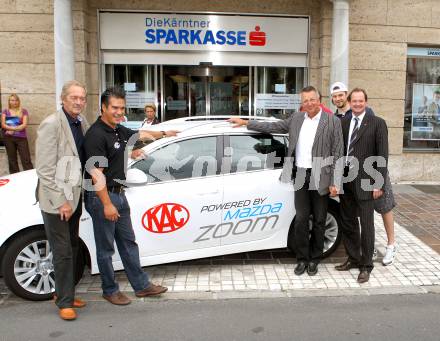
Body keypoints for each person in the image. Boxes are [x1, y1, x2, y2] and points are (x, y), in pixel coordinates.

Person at [229, 86, 344, 276]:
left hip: (321, 176)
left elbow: (339, 153)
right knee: (300, 219)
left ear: (319, 100)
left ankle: (315, 259)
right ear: (302, 103)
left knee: (319, 220)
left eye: (312, 99)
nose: (308, 103)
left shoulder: (332, 122)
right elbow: (273, 127)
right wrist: (246, 122)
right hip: (300, 174)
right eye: (305, 100)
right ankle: (302, 259)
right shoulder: (297, 119)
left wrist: (335, 182)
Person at [83, 86, 178, 306]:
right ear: (103, 107)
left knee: (128, 243)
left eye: (122, 108)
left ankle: (142, 286)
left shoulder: (117, 129)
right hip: (102, 198)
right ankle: (109, 289)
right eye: (114, 107)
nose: (119, 112)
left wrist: (164, 134)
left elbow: (141, 134)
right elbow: (96, 173)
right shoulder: (96, 134)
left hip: (119, 194)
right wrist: (106, 204)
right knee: (106, 248)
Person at [35, 80, 89, 321]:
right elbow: (45, 170)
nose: (78, 102)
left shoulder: (81, 122)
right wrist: (61, 202)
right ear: (63, 99)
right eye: (74, 98)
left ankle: (64, 292)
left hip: (75, 197)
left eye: (82, 98)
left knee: (74, 247)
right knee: (63, 250)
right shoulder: (51, 124)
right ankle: (64, 302)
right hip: (57, 202)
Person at [331, 82, 397, 266]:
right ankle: (353, 258)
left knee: (367, 225)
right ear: (350, 103)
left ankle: (366, 265)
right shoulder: (343, 122)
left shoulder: (377, 123)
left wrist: (378, 183)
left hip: (367, 182)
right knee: (349, 223)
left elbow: (382, 154)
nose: (358, 104)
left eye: (361, 101)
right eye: (354, 101)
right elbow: (338, 152)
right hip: (346, 182)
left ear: (366, 102)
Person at [1, 94, 33, 173]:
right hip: (8, 138)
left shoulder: (23, 111)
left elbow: (24, 124)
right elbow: (3, 124)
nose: (14, 102)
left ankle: (30, 177)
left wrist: (13, 129)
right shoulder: (5, 111)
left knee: (26, 159)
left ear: (18, 101)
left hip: (21, 138)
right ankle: (15, 178)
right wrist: (13, 129)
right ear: (9, 101)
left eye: (16, 100)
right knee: (12, 159)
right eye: (12, 100)